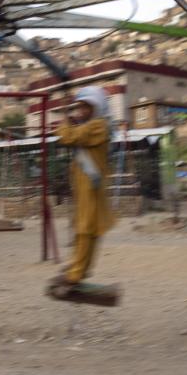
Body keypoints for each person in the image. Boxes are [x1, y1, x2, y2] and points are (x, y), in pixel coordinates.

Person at [53, 86, 115, 287]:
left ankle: (77, 273)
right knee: (87, 227)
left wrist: (64, 116)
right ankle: (80, 267)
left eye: (86, 107)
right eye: (80, 107)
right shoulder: (93, 125)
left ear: (97, 108)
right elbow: (71, 135)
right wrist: (71, 123)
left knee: (85, 228)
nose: (81, 111)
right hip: (86, 184)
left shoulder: (98, 126)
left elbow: (66, 137)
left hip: (91, 185)